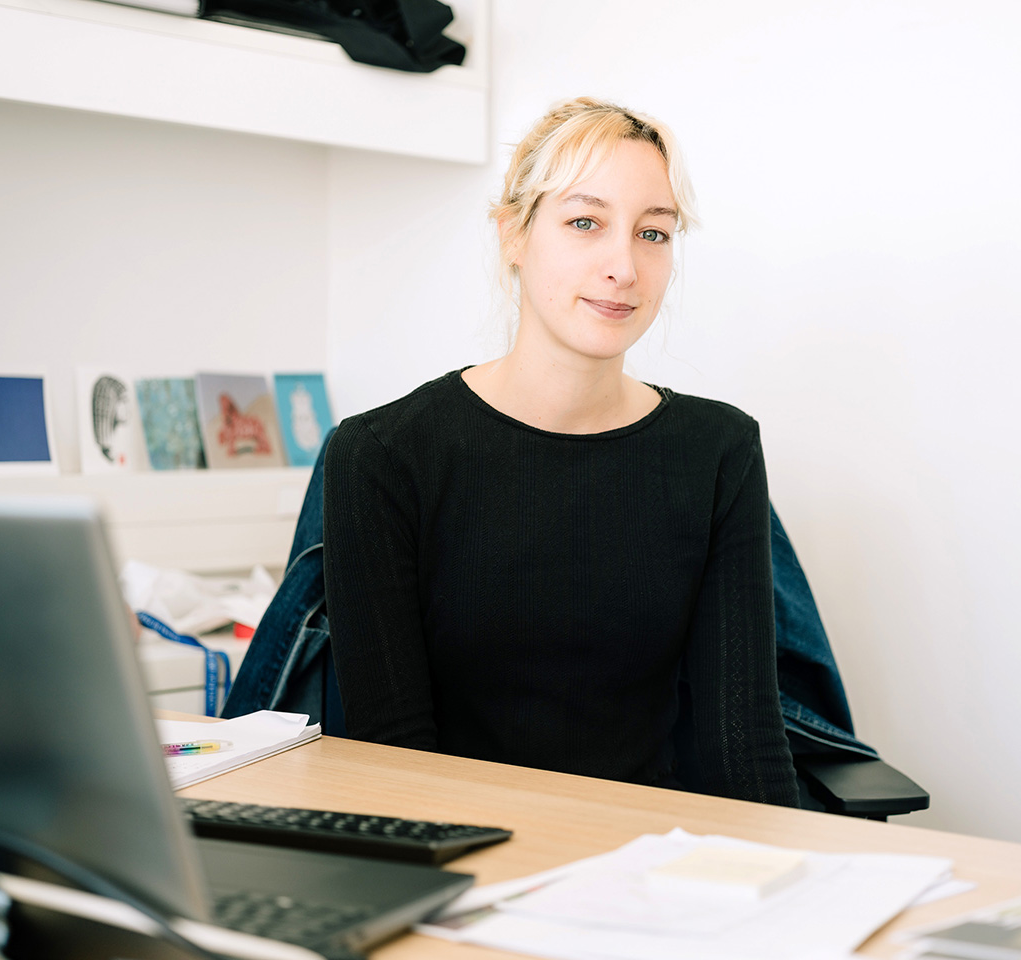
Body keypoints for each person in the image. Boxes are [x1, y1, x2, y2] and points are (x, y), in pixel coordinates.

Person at [324, 97, 800, 807]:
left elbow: (744, 743)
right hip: (463, 850)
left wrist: (794, 869)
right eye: (585, 223)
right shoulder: (383, 456)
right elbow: (395, 762)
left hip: (654, 852)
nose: (624, 267)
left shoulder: (718, 448)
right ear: (513, 234)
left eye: (653, 233)